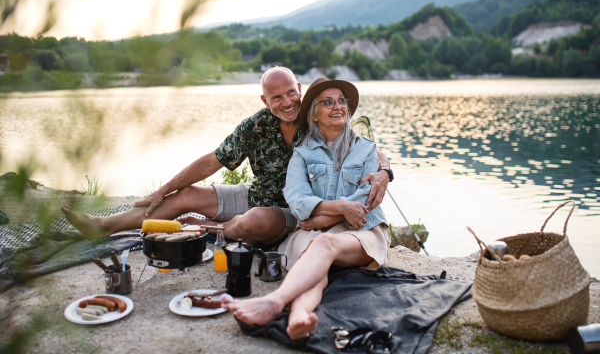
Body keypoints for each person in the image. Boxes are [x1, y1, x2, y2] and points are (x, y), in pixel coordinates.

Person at [61, 68, 392, 246]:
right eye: (277, 97)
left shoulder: (317, 118)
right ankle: (104, 226)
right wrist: (165, 188)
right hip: (253, 196)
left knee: (254, 222)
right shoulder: (255, 126)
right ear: (265, 100)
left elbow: (366, 148)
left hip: (295, 209)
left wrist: (384, 172)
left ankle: (202, 228)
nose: (287, 102)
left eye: (291, 92)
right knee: (185, 195)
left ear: (300, 88)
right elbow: (212, 161)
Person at [222, 77, 390, 340]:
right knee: (315, 254)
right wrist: (340, 207)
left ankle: (274, 302)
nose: (338, 107)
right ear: (314, 114)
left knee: (324, 244)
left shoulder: (366, 150)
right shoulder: (301, 153)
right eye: (328, 102)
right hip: (313, 232)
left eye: (342, 101)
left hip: (362, 231)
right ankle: (299, 314)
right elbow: (297, 200)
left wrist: (323, 217)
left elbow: (364, 204)